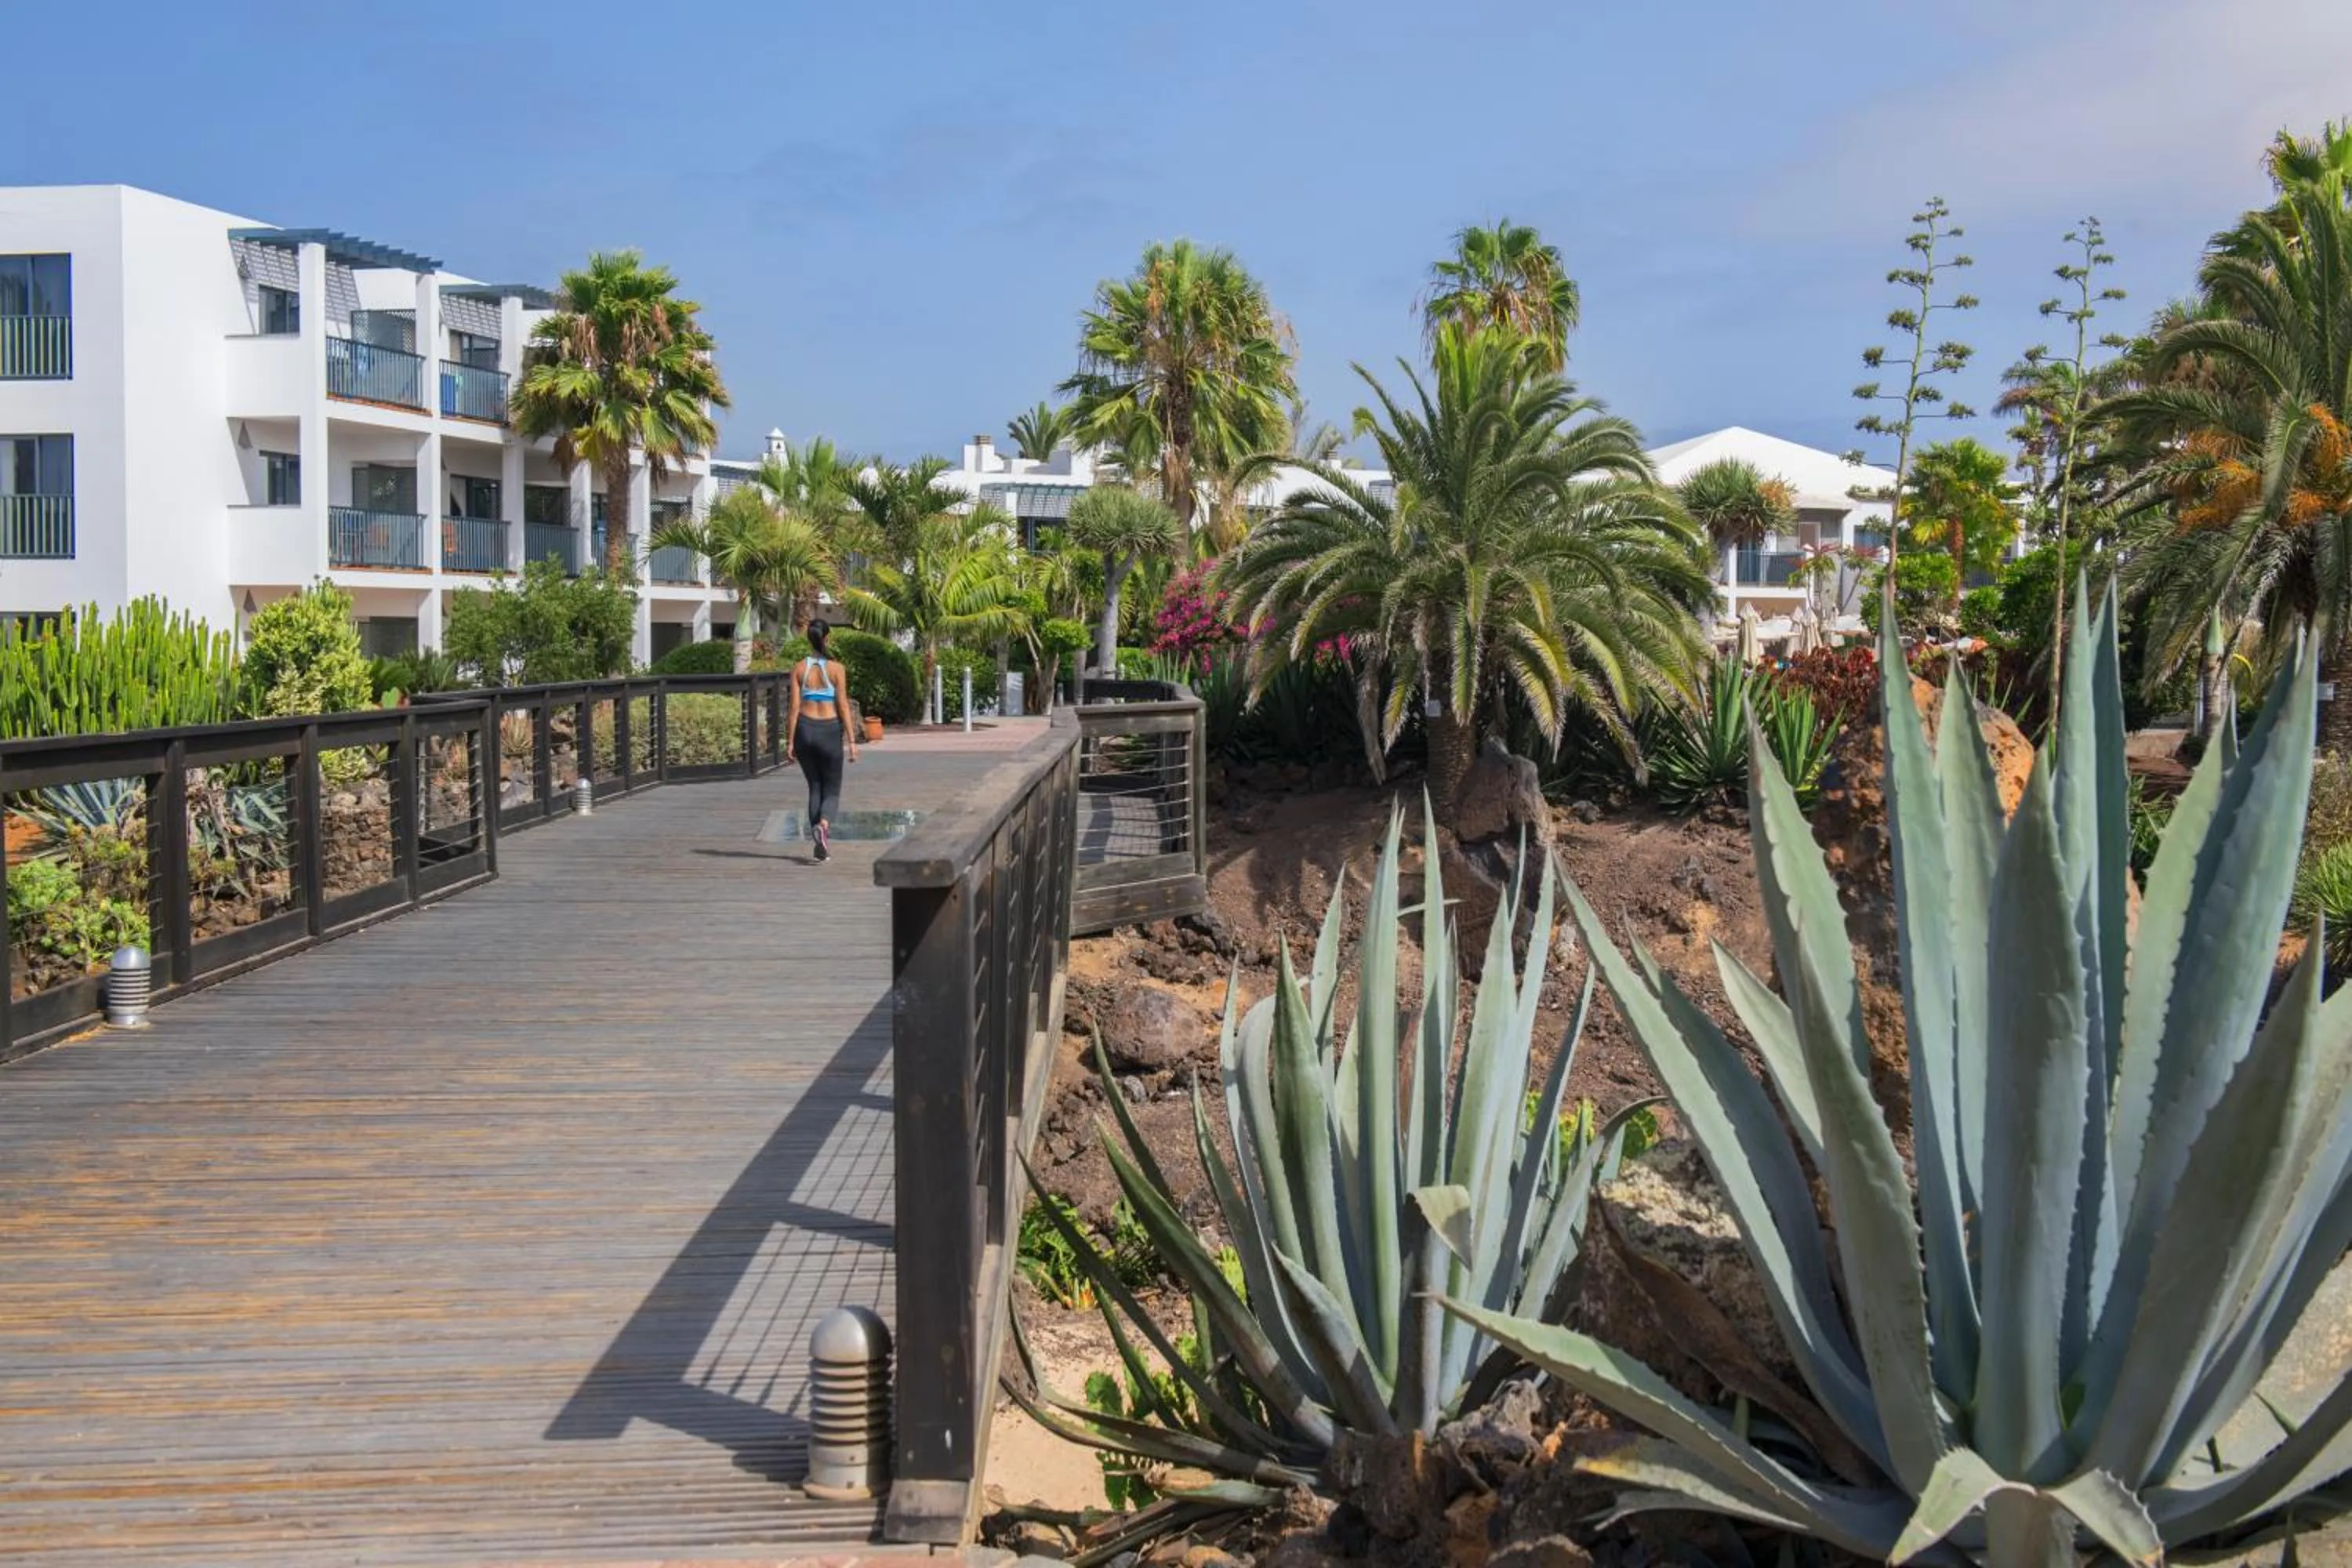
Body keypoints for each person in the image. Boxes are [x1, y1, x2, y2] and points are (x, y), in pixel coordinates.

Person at [783, 619, 858, 860]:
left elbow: (794, 707)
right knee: (832, 790)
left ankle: (819, 841)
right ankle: (823, 826)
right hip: (828, 730)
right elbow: (843, 706)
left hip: (805, 729)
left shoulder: (798, 669)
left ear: (809, 639)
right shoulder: (837, 669)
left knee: (815, 786)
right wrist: (852, 741)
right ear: (826, 638)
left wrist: (790, 741)